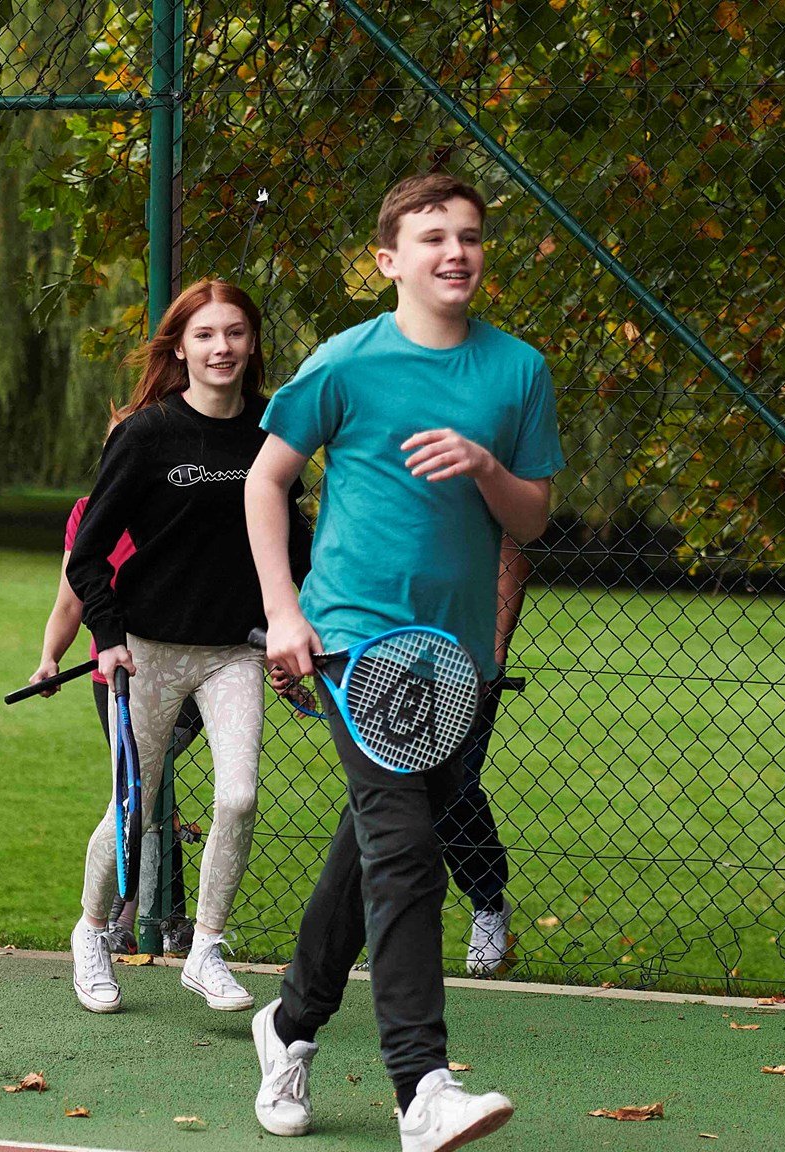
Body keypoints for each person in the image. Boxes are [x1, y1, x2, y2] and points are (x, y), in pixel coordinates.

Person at [245, 173, 562, 1151]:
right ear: (388, 260)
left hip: (449, 658)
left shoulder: (517, 371)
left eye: (469, 235)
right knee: (406, 851)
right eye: (432, 238)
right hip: (354, 641)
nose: (455, 252)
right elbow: (264, 480)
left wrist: (485, 466)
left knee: (373, 843)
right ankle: (421, 1087)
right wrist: (284, 613)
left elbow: (531, 518)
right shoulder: (347, 363)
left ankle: (289, 1022)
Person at [65, 278, 307, 1016]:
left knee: (239, 796)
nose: (221, 347)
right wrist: (108, 639)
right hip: (147, 651)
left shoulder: (273, 430)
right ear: (179, 348)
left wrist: (294, 626)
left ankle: (205, 950)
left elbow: (293, 544)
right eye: (204, 335)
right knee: (133, 808)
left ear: (253, 343)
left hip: (235, 651)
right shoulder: (147, 434)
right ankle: (91, 932)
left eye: (234, 332)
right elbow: (87, 556)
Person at [30, 494, 206, 956]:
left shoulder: (179, 497)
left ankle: (127, 918)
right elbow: (70, 601)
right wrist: (50, 658)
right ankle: (169, 918)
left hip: (186, 670)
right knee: (143, 784)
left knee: (143, 779)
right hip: (114, 677)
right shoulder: (87, 511)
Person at [444, 538, 530, 978]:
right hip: (390, 649)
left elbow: (512, 547)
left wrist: (495, 650)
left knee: (456, 789)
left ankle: (489, 902)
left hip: (467, 658)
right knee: (389, 797)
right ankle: (397, 932)